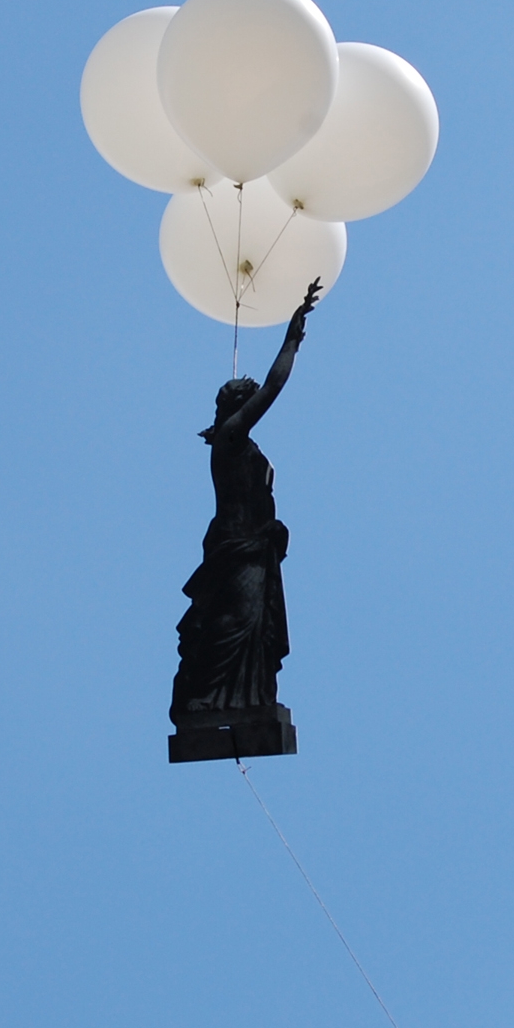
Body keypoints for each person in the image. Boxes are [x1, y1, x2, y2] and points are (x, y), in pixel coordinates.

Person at [170, 279, 322, 727]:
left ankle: (242, 698)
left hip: (252, 549)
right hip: (237, 549)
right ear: (235, 408)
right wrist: (291, 340)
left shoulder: (240, 444)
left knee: (252, 627)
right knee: (233, 623)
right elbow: (274, 386)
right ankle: (205, 700)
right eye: (245, 399)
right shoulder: (232, 439)